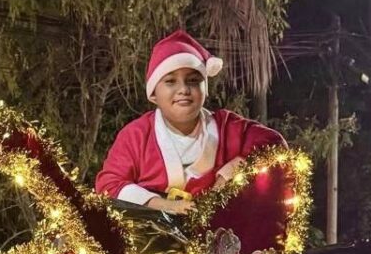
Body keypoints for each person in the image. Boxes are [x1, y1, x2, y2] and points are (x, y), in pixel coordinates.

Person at [95, 29, 287, 215]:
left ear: (205, 88)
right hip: (150, 235)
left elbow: (275, 144)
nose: (184, 90)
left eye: (193, 81)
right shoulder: (136, 135)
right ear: (153, 93)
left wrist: (231, 171)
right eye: (170, 81)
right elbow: (108, 184)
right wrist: (162, 205)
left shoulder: (228, 127)